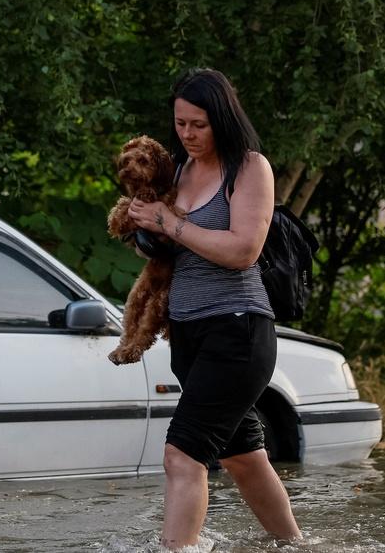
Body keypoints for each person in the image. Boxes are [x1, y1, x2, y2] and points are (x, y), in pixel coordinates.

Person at [125, 68, 302, 550]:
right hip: (189, 334)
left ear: (222, 118)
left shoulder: (249, 168)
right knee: (245, 457)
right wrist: (147, 229)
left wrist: (170, 222)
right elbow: (171, 251)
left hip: (238, 332)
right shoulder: (179, 171)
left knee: (181, 456)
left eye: (198, 124)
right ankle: (294, 546)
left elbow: (242, 249)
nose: (187, 134)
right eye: (180, 123)